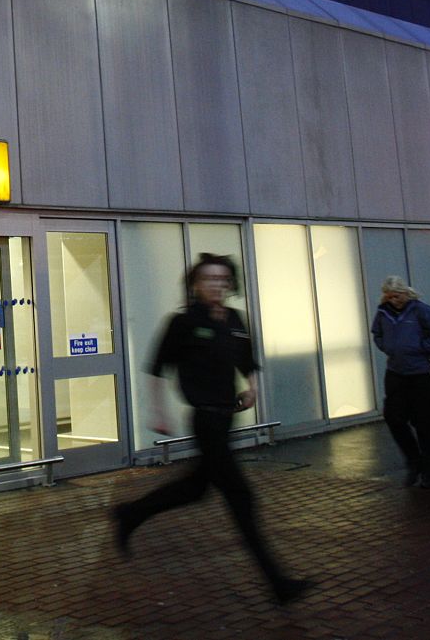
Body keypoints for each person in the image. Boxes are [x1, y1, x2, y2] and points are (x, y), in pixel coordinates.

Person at [111, 254, 310, 606]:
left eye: (222, 278)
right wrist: (157, 411)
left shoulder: (235, 319)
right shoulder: (183, 322)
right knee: (242, 497)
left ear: (229, 283)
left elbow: (246, 362)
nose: (216, 284)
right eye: (208, 278)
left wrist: (251, 388)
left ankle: (129, 514)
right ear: (196, 284)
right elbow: (157, 368)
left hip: (227, 416)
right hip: (206, 421)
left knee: (194, 489)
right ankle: (278, 583)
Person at [370, 276, 430, 489]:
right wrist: (388, 347)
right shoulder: (383, 313)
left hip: (422, 374)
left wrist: (418, 348)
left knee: (427, 425)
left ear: (406, 293)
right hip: (396, 373)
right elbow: (376, 334)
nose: (395, 300)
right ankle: (414, 460)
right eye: (390, 296)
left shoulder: (422, 311)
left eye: (398, 295)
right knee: (394, 418)